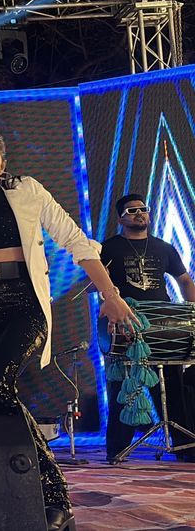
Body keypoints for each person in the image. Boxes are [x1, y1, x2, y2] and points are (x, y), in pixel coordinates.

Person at [0, 130, 138, 531]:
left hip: (23, 304)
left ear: (2, 166)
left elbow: (75, 241)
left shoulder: (27, 191)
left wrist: (110, 294)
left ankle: (55, 496)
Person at [101, 194, 195, 464]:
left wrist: (192, 313)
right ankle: (117, 449)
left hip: (164, 325)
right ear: (121, 219)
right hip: (127, 324)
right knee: (123, 387)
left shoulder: (164, 248)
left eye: (143, 209)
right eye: (131, 211)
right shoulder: (108, 248)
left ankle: (185, 447)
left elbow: (185, 280)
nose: (139, 213)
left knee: (173, 386)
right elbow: (96, 284)